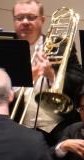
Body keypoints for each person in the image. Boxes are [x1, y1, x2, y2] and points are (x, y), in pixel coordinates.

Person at [12, 1, 84, 137]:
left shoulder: (61, 46)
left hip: (59, 128)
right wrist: (26, 79)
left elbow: (79, 81)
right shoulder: (8, 50)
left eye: (31, 17)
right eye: (20, 17)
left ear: (42, 19)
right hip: (19, 127)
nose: (25, 22)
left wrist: (52, 75)